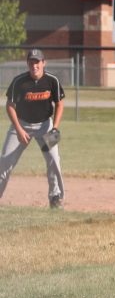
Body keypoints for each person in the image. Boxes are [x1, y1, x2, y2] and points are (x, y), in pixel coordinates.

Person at [0, 49, 66, 209]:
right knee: (5, 162)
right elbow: (10, 106)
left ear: (44, 63)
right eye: (31, 62)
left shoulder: (52, 81)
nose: (34, 65)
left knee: (53, 161)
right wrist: (19, 129)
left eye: (37, 62)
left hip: (45, 125)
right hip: (21, 125)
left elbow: (59, 103)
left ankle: (55, 197)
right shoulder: (19, 81)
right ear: (27, 64)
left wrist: (55, 128)